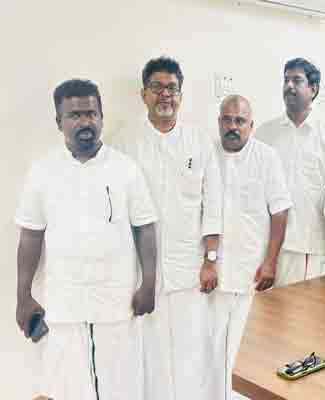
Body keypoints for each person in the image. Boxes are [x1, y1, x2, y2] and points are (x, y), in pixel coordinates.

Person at [15, 79, 158, 400]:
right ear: (59, 122)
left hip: (116, 302)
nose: (85, 122)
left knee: (120, 388)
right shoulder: (42, 171)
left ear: (102, 117)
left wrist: (149, 284)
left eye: (91, 114)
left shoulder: (125, 169)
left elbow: (145, 228)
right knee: (65, 389)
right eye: (75, 115)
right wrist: (23, 296)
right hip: (64, 303)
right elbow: (30, 235)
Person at [111, 56, 223, 399]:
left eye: (172, 88)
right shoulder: (123, 143)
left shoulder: (199, 141)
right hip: (139, 272)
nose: (165, 95)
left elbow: (213, 204)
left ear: (181, 95)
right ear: (143, 94)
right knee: (146, 354)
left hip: (188, 268)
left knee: (190, 351)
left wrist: (210, 260)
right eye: (157, 87)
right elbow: (115, 211)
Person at [212, 94, 292, 399]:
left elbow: (280, 212)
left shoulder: (266, 157)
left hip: (253, 271)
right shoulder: (208, 154)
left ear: (251, 125)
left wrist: (270, 262)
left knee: (246, 351)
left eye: (240, 121)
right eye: (227, 120)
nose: (233, 126)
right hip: (215, 273)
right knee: (212, 348)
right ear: (219, 122)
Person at [254, 57, 325, 287]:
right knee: (269, 309)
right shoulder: (265, 134)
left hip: (313, 247)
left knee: (310, 310)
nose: (289, 86)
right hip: (270, 247)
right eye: (286, 80)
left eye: (297, 80)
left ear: (313, 89)